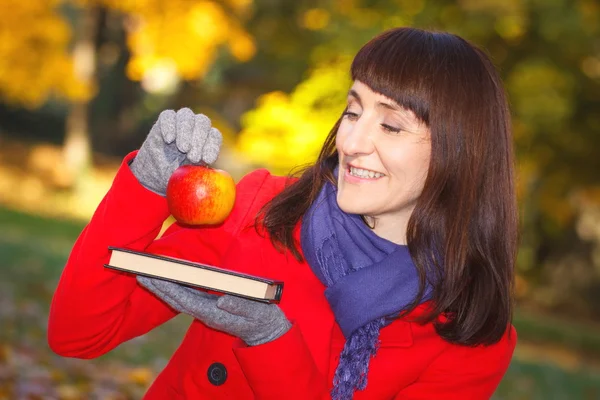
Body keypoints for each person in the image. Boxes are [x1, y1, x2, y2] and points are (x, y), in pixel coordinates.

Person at [48, 26, 518, 399]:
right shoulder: (262, 210)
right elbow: (78, 334)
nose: (351, 144)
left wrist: (270, 343)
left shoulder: (470, 335)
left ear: (460, 155)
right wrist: (146, 187)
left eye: (391, 125)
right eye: (353, 113)